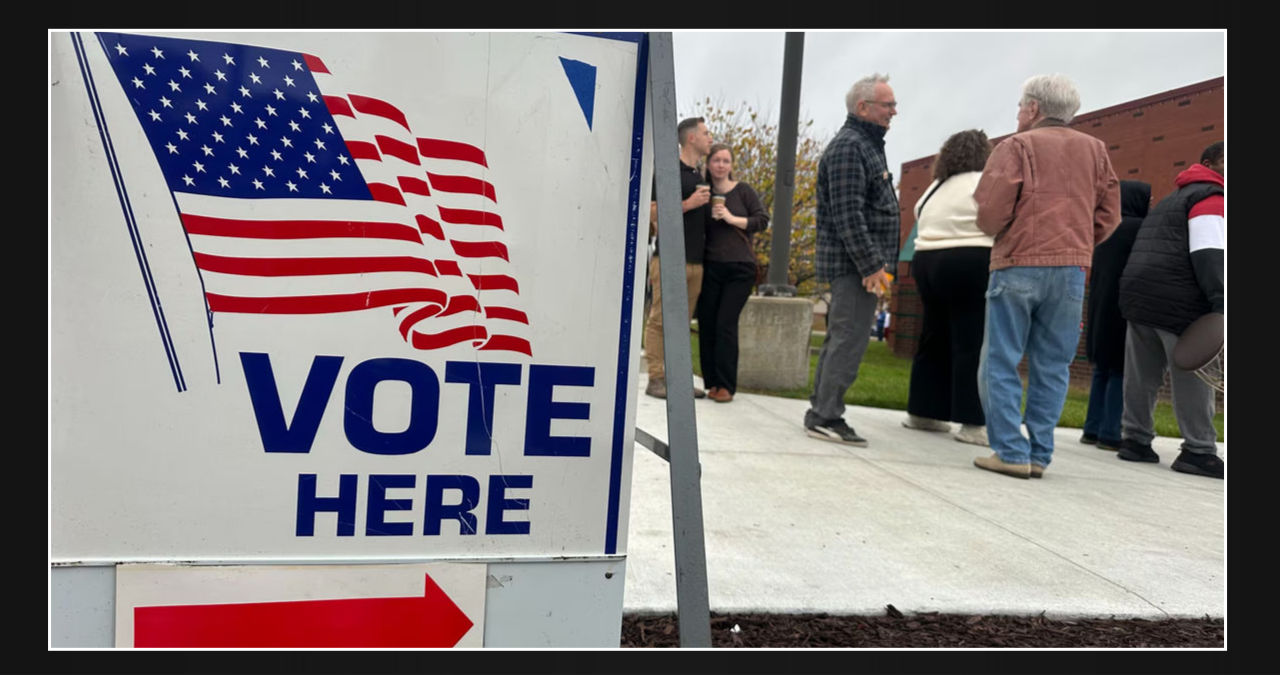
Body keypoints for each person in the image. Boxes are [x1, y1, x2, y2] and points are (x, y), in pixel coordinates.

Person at [971, 74, 1121, 479]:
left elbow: (988, 213)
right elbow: (1110, 215)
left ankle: (1009, 451)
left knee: (999, 359)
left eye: (1021, 105)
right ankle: (1039, 453)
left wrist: (1006, 230)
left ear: (1034, 108)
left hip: (1017, 262)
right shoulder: (1097, 150)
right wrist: (1079, 242)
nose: (1019, 112)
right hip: (1071, 269)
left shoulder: (1015, 147)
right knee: (1053, 364)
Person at [1115, 141, 1224, 479]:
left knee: (1142, 374)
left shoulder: (1170, 198)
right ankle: (1198, 449)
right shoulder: (1211, 198)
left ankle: (1134, 440)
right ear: (1210, 163)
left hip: (1140, 294)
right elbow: (1210, 253)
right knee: (1193, 373)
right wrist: (1221, 302)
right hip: (1180, 299)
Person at [803, 73, 901, 446]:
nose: (895, 110)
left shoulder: (866, 145)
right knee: (849, 339)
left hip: (860, 264)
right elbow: (848, 214)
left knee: (843, 338)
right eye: (887, 104)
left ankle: (822, 410)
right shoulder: (850, 147)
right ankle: (827, 415)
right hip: (856, 267)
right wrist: (872, 266)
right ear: (863, 107)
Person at [901, 129, 995, 447]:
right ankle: (972, 423)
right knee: (971, 341)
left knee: (933, 336)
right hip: (972, 259)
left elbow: (916, 214)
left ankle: (924, 412)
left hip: (926, 262)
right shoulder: (985, 182)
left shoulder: (934, 187)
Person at [644, 116, 714, 399]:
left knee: (682, 323)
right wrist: (688, 204)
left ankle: (677, 380)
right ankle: (656, 378)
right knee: (660, 320)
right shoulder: (666, 170)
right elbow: (651, 212)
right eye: (706, 133)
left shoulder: (700, 175)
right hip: (669, 258)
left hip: (696, 262)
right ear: (691, 138)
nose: (711, 138)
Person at [1080, 180, 1151, 450]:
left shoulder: (1104, 229)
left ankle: (1092, 429)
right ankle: (1110, 433)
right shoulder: (1138, 229)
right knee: (1121, 371)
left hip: (1099, 307)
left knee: (1102, 369)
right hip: (1123, 309)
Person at [698, 143, 770, 403]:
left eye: (726, 161)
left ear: (731, 165)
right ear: (708, 164)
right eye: (716, 160)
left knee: (725, 324)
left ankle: (726, 385)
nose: (721, 165)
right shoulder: (703, 193)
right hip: (711, 265)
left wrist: (731, 217)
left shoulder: (743, 191)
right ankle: (712, 383)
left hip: (740, 267)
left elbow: (762, 220)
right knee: (707, 324)